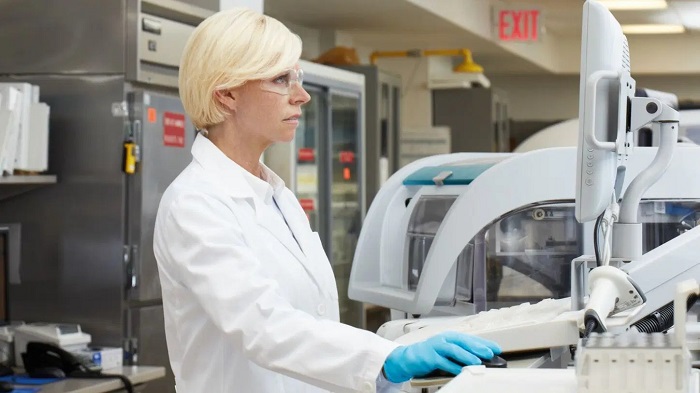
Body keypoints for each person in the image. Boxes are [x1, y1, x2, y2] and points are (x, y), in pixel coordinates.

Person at [153, 7, 502, 393]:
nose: (301, 96)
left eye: (297, 78)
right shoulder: (195, 204)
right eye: (281, 79)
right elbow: (263, 327)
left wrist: (386, 366)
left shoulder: (276, 197)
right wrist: (387, 360)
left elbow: (313, 324)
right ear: (228, 94)